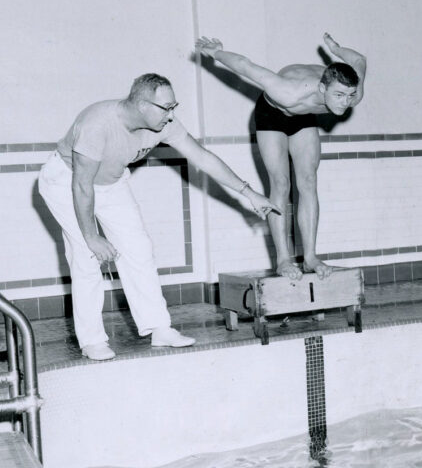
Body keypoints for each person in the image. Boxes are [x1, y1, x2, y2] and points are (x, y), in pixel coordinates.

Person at [39, 73, 279, 361]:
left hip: (110, 182)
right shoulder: (97, 123)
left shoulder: (164, 123)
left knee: (139, 249)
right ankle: (92, 340)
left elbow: (202, 157)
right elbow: (81, 185)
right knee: (87, 256)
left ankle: (159, 328)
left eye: (173, 106)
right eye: (166, 107)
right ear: (142, 105)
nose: (171, 114)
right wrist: (91, 236)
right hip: (66, 182)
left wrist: (248, 192)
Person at [195, 33, 366, 280]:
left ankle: (310, 257)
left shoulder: (353, 94)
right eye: (338, 95)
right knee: (281, 183)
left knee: (307, 181)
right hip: (272, 113)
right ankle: (283, 259)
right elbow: (246, 67)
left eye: (349, 96)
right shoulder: (288, 91)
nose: (345, 103)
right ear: (322, 88)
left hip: (303, 115)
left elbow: (359, 59)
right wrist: (216, 52)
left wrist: (337, 49)